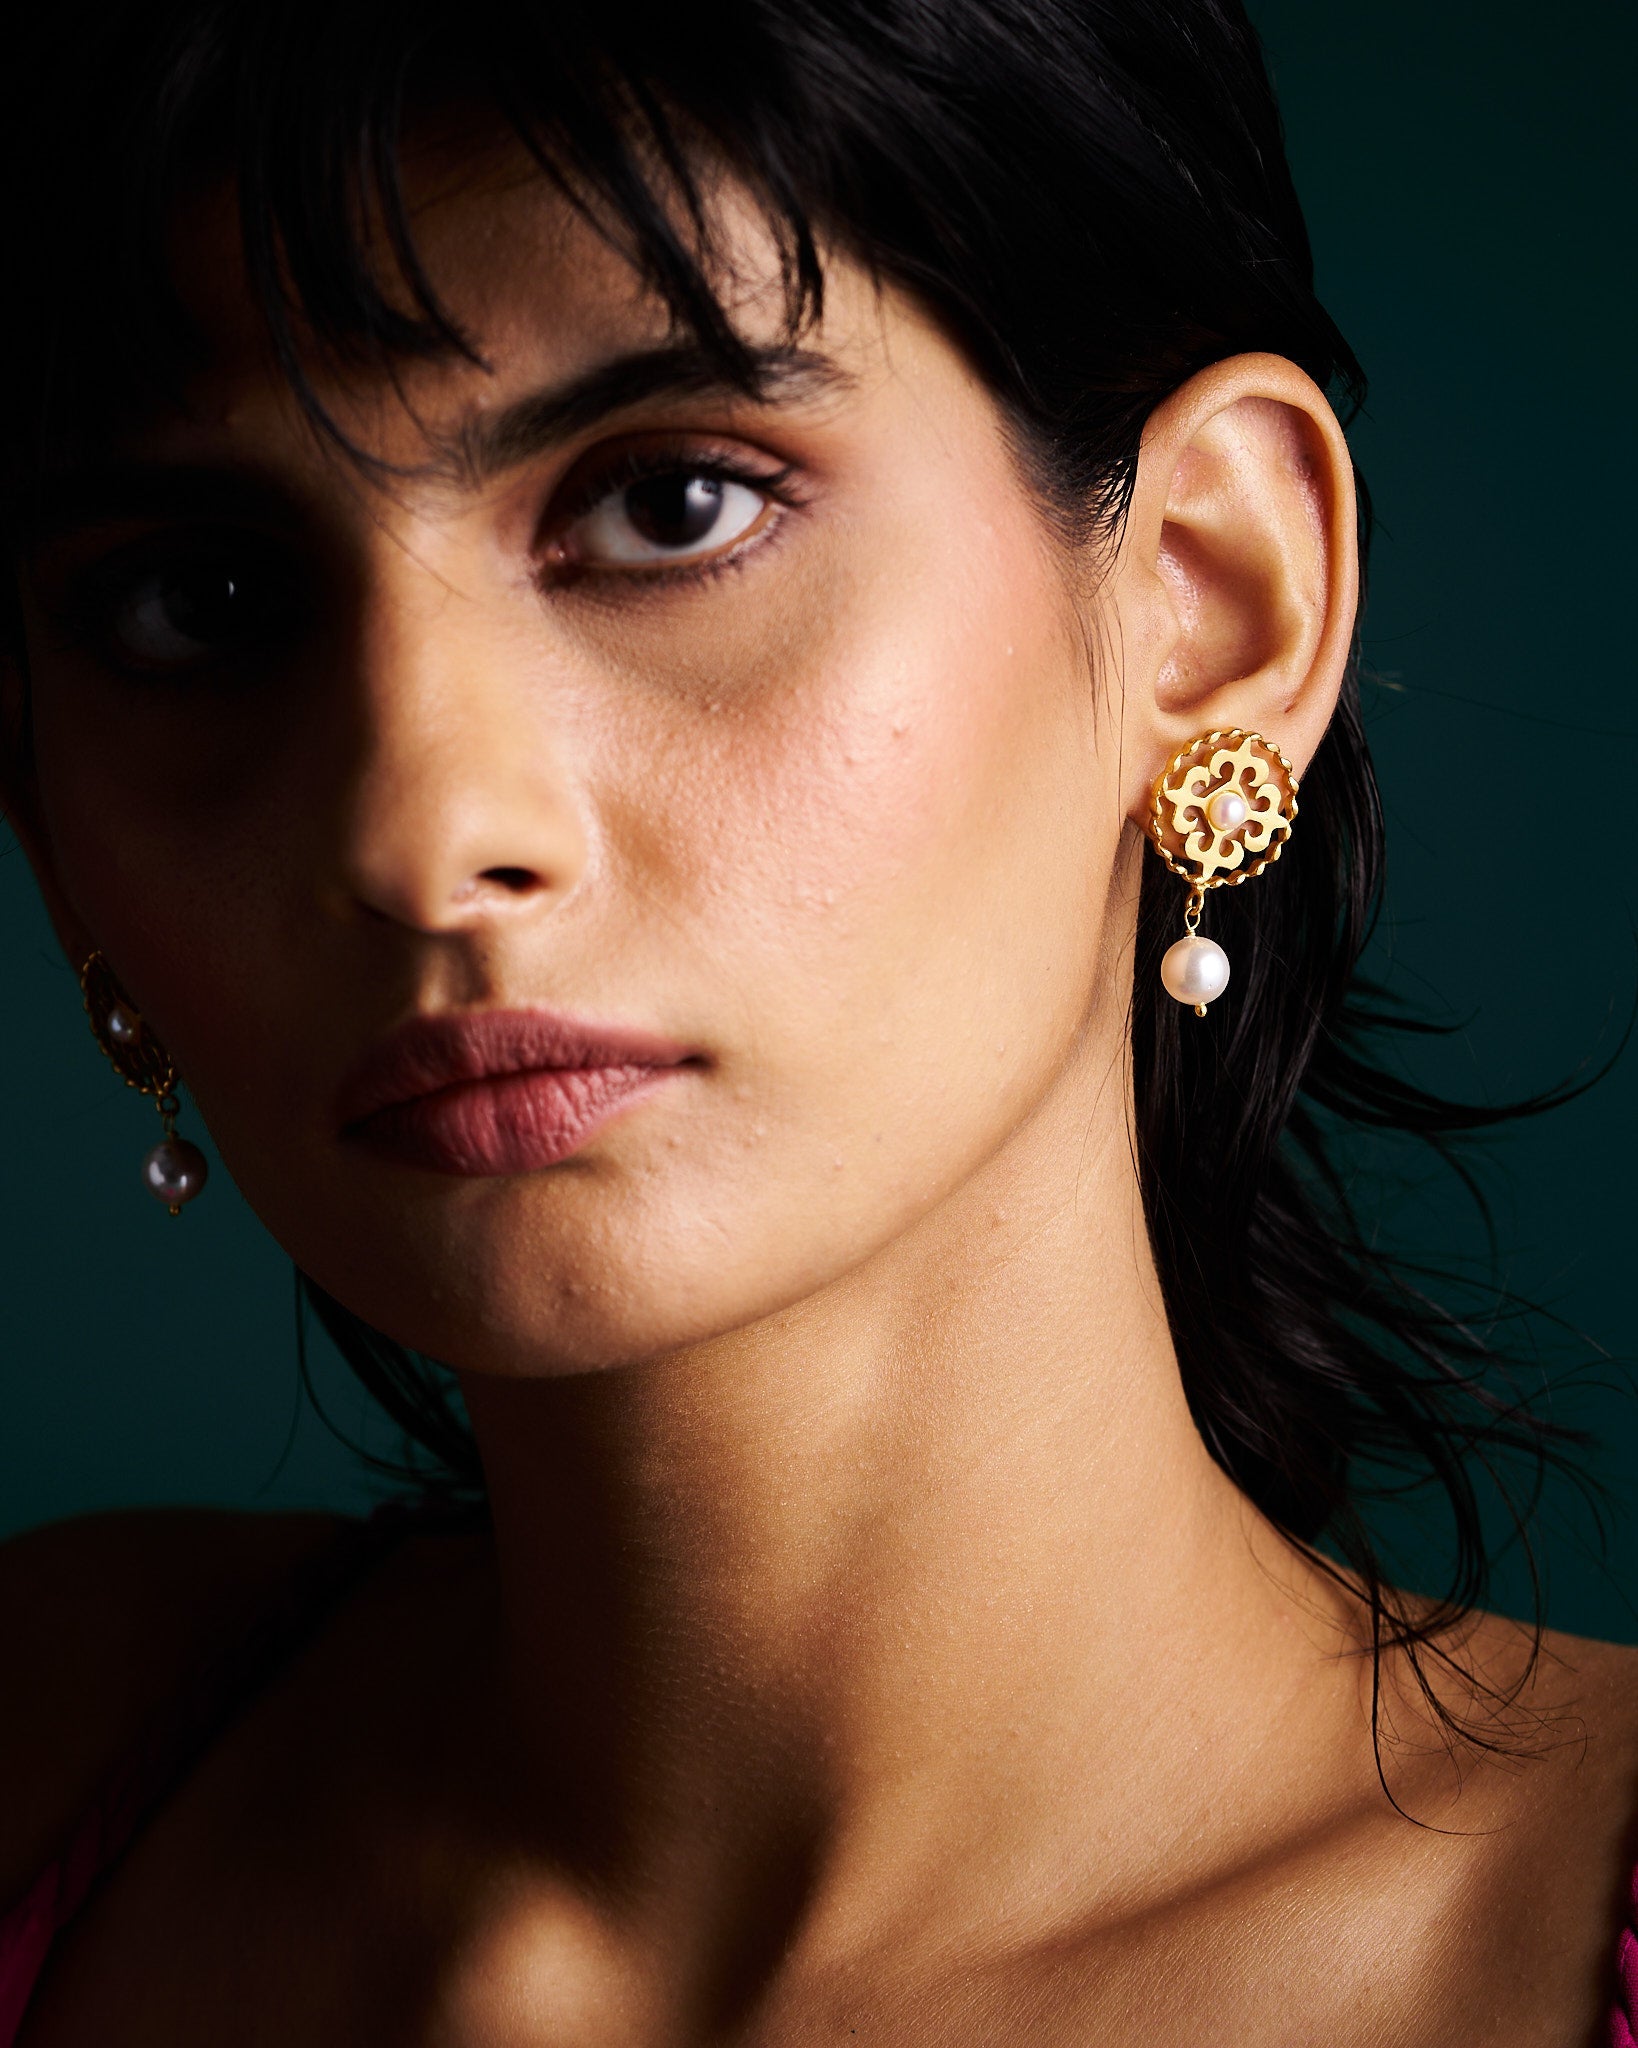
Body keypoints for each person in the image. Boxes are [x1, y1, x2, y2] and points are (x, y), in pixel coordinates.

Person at [1, 2, 1634, 2040]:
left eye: (674, 503)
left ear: (1215, 597)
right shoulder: (49, 1737)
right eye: (200, 603)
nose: (416, 833)